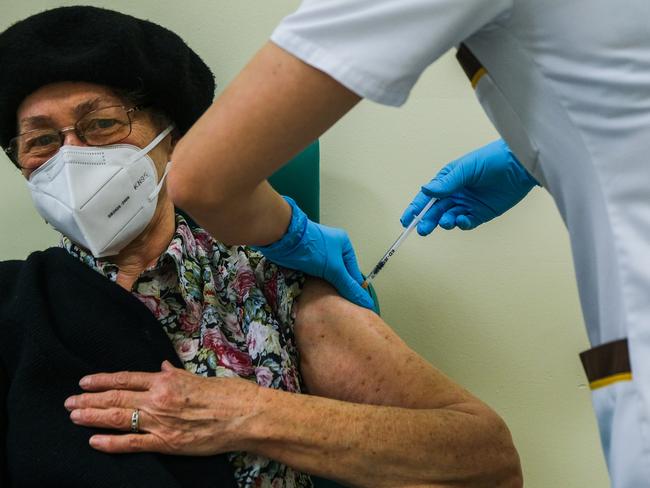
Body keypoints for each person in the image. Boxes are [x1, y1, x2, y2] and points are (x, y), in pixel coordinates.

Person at [0, 7, 522, 488]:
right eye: (41, 140)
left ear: (173, 142)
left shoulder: (270, 286)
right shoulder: (13, 299)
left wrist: (246, 414)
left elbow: (487, 461)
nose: (73, 157)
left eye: (102, 125)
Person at [166, 1, 650, 486]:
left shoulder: (271, 290)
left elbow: (202, 180)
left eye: (104, 125)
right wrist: (530, 154)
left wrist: (296, 235)